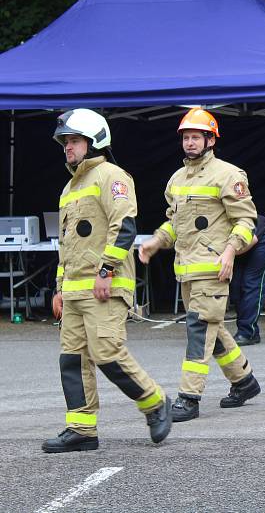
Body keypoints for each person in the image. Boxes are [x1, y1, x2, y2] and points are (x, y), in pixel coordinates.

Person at [44, 109, 171, 453]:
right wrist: (58, 286)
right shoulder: (69, 187)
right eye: (65, 142)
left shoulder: (111, 176)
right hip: (73, 291)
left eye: (73, 141)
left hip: (104, 286)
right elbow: (67, 243)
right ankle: (81, 429)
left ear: (93, 141)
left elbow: (124, 226)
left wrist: (106, 270)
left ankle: (156, 403)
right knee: (72, 359)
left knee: (107, 354)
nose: (67, 147)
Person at [138, 107, 260, 422]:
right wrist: (155, 241)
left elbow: (246, 221)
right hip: (187, 270)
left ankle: (188, 397)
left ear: (210, 140)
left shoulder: (229, 174)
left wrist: (231, 251)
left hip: (213, 269)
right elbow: (174, 224)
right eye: (186, 137)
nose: (190, 142)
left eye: (196, 137)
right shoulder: (176, 180)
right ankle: (244, 381)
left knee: (199, 330)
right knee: (211, 328)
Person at [230, 214, 265, 345]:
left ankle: (247, 332)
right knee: (235, 287)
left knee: (251, 284)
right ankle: (249, 330)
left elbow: (252, 239)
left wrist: (226, 253)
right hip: (237, 246)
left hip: (261, 237)